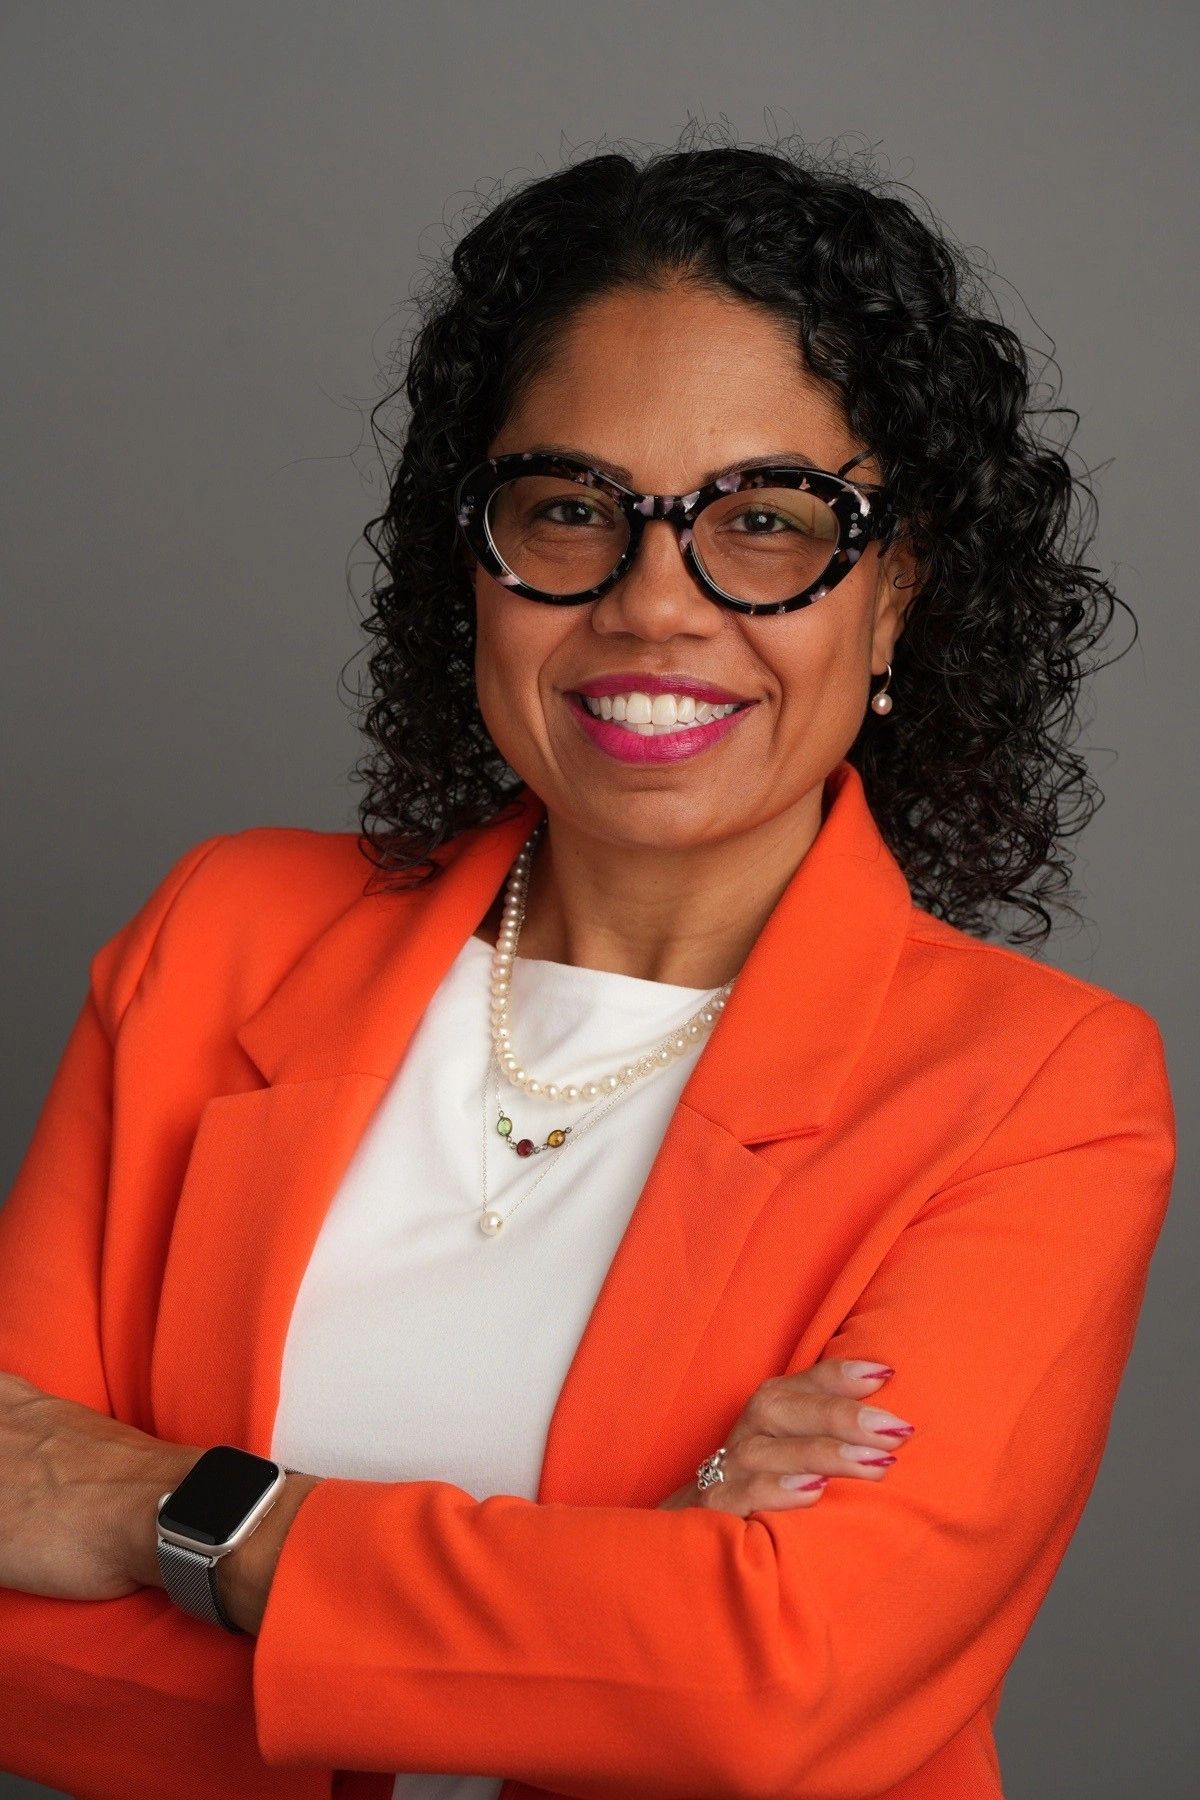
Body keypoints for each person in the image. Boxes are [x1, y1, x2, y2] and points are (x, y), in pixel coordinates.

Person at [0, 134, 1176, 1800]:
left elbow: (768, 1691)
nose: (653, 604)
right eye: (570, 510)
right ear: (470, 559)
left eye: (769, 523)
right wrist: (610, 1608)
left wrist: (160, 1509)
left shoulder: (1037, 1093)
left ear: (900, 592)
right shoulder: (222, 937)